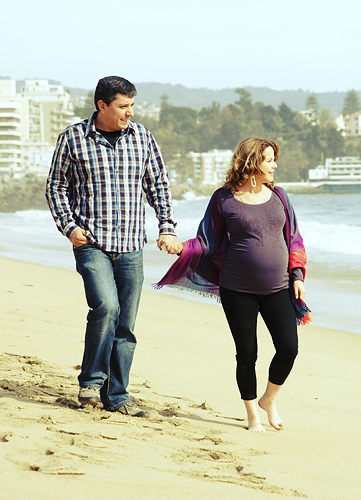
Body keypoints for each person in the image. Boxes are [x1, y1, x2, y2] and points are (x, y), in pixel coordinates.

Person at [46, 76, 181, 418]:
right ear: (102, 105)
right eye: (123, 106)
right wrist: (70, 227)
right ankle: (91, 381)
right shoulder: (73, 138)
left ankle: (117, 395)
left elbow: (159, 187)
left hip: (132, 245)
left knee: (126, 324)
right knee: (106, 307)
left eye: (132, 106)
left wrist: (167, 228)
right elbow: (55, 187)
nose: (129, 113)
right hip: (92, 243)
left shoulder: (142, 137)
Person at [155, 137, 310, 432]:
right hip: (237, 289)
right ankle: (252, 415)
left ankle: (269, 399)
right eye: (268, 159)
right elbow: (206, 241)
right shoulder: (223, 199)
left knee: (289, 347)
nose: (274, 164)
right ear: (252, 163)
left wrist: (298, 276)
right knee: (247, 353)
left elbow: (295, 240)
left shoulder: (280, 196)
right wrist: (180, 248)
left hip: (278, 287)